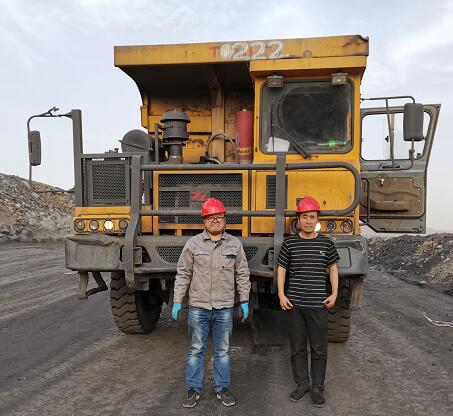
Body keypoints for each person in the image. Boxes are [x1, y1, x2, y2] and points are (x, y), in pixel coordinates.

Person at [172, 197, 251, 409]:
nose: (215, 221)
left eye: (219, 217)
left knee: (223, 350)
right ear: (204, 221)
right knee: (196, 349)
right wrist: (177, 300)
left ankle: (222, 388)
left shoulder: (234, 244)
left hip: (224, 307)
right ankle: (193, 388)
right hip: (199, 307)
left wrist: (244, 300)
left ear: (225, 220)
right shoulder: (193, 244)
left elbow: (242, 273)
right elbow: (183, 273)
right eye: (210, 217)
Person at [277, 196, 340, 408]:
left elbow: (333, 269)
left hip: (318, 305)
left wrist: (334, 293)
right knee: (297, 348)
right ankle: (302, 385)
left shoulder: (326, 243)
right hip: (294, 305)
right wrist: (281, 294)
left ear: (317, 219)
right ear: (298, 219)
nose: (308, 221)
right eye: (304, 217)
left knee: (319, 348)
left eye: (312, 217)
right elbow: (281, 269)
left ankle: (317, 389)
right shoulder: (290, 243)